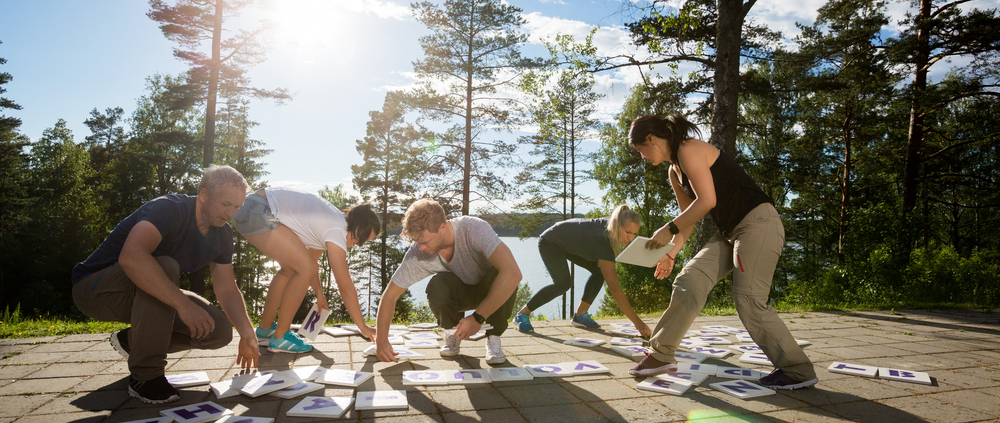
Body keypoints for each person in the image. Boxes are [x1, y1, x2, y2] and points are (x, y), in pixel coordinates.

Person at [625, 114, 818, 390]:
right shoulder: (673, 171)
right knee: (689, 281)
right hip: (729, 234)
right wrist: (670, 254)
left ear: (651, 140)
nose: (641, 156)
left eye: (639, 149)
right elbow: (687, 218)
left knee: (749, 299)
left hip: (758, 223)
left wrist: (668, 229)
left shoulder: (689, 149)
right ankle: (660, 354)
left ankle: (798, 370)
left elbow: (707, 201)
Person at [71, 165, 260, 404]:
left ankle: (131, 341)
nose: (231, 213)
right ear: (204, 195)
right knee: (165, 266)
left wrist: (247, 333)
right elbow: (132, 257)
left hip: (145, 295)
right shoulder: (168, 209)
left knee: (218, 331)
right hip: (96, 291)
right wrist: (183, 305)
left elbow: (226, 288)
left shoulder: (222, 234)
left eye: (237, 207)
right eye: (226, 204)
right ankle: (146, 377)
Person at [373, 198, 521, 365]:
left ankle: (493, 339)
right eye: (417, 242)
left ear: (442, 227)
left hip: (490, 292)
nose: (421, 248)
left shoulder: (473, 229)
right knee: (438, 285)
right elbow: (390, 295)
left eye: (425, 241)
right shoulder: (419, 253)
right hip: (462, 294)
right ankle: (452, 336)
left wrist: (477, 318)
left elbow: (513, 273)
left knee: (503, 274)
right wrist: (382, 341)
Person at [232, 187, 380, 353]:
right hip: (257, 210)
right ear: (357, 225)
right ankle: (280, 337)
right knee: (302, 268)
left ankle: (265, 330)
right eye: (363, 238)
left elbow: (308, 263)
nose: (360, 244)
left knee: (289, 269)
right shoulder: (337, 229)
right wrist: (363, 327)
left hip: (250, 208)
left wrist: (319, 295)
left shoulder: (332, 226)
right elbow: (345, 286)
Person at [512, 205, 652, 336]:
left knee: (599, 272)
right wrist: (638, 323)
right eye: (628, 232)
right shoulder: (604, 240)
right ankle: (522, 314)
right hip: (551, 242)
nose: (630, 238)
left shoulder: (611, 231)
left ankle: (580, 315)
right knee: (563, 283)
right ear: (616, 225)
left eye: (634, 234)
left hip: (569, 244)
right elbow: (615, 288)